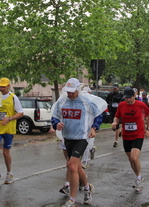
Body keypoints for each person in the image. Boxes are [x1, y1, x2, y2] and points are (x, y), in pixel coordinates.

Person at [52, 78, 106, 207]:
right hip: (68, 137)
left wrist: (94, 127)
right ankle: (87, 188)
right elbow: (54, 117)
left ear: (78, 90)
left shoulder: (86, 101)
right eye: (68, 92)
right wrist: (56, 125)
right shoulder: (62, 101)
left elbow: (99, 114)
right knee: (77, 166)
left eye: (72, 92)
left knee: (72, 166)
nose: (70, 94)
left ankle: (72, 199)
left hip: (82, 137)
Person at [112, 87, 149, 192]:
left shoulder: (141, 105)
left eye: (130, 97)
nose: (128, 100)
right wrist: (115, 122)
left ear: (134, 96)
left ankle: (138, 178)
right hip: (126, 135)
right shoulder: (121, 105)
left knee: (134, 158)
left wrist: (148, 128)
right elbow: (117, 116)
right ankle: (139, 175)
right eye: (126, 98)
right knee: (130, 160)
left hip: (138, 134)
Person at [0, 78, 23, 185]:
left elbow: (21, 113)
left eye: (3, 86)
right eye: (0, 86)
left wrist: (9, 118)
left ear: (8, 86)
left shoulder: (13, 97)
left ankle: (9, 173)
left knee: (5, 152)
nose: (1, 88)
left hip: (8, 128)